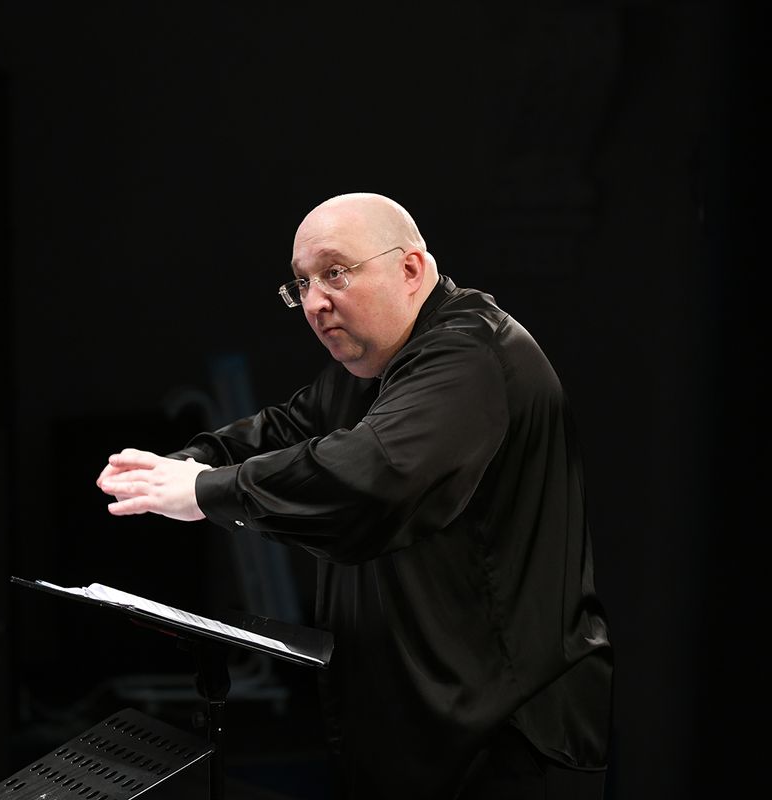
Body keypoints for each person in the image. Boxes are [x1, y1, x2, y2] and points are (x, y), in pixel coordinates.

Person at [96, 192, 613, 799]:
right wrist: (185, 464)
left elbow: (369, 479)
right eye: (302, 284)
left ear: (410, 269)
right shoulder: (367, 371)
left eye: (335, 273)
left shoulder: (471, 353)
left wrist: (202, 491)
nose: (315, 302)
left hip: (506, 740)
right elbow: (282, 431)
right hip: (414, 735)